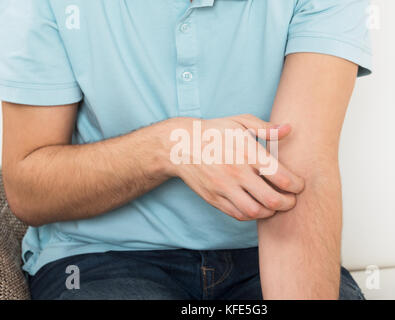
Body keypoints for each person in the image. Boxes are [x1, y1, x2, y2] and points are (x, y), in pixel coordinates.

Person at [0, 0, 371, 300]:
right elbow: (29, 192)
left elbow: (303, 171)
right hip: (101, 259)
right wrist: (167, 146)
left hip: (265, 253)